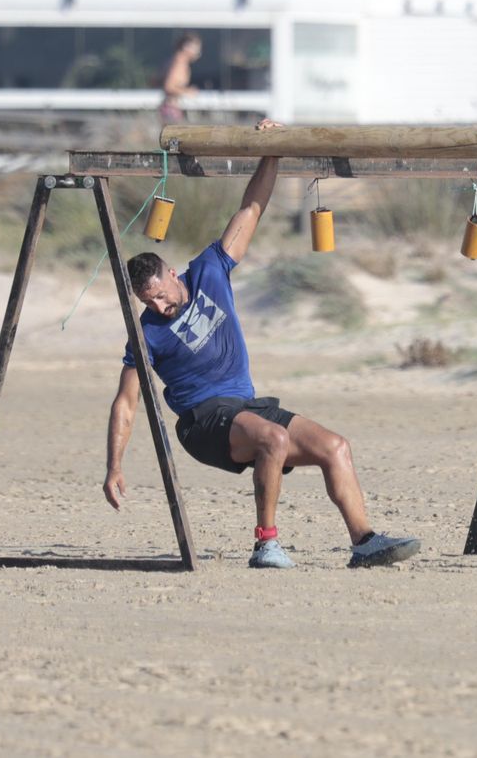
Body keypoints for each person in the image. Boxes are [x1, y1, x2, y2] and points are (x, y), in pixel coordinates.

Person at [103, 118, 421, 570]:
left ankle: (364, 541)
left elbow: (251, 209)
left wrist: (272, 150)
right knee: (272, 438)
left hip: (247, 406)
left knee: (336, 447)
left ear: (173, 273)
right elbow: (126, 404)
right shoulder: (146, 332)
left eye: (160, 294)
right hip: (203, 422)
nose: (158, 306)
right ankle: (265, 544)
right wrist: (114, 466)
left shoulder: (210, 271)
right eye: (147, 301)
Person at [158, 33, 201, 125]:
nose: (198, 53)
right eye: (196, 48)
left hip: (168, 108)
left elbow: (155, 79)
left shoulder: (172, 60)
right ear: (186, 47)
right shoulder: (179, 63)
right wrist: (187, 91)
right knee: (174, 138)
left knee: (171, 138)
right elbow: (168, 86)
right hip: (171, 110)